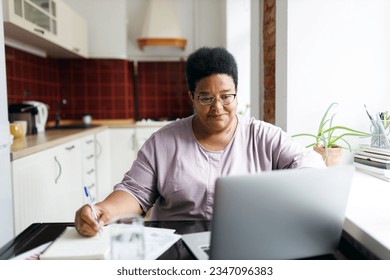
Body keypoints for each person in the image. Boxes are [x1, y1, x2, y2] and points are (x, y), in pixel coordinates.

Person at [75, 47, 325, 236]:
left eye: (226, 96)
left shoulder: (263, 135)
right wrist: (104, 211)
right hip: (176, 244)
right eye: (206, 98)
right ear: (191, 98)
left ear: (237, 94)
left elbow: (307, 163)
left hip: (244, 240)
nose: (218, 108)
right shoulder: (163, 142)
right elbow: (134, 192)